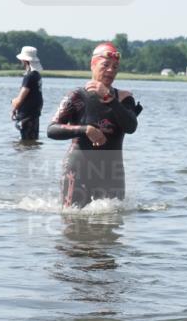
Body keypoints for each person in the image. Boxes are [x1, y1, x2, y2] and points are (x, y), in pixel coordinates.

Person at [47, 42, 142, 208]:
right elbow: (52, 129)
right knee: (73, 224)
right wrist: (85, 130)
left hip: (112, 172)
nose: (111, 70)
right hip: (78, 170)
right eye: (105, 65)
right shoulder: (77, 96)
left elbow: (131, 127)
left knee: (112, 225)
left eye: (115, 67)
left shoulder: (124, 99)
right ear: (93, 65)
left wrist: (109, 99)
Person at [11, 46, 44, 141]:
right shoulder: (37, 75)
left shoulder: (29, 76)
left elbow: (19, 99)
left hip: (26, 117)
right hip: (34, 115)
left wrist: (13, 102)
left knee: (25, 145)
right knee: (32, 144)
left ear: (25, 61)